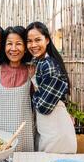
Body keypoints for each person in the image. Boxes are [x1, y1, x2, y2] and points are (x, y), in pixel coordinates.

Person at [26, 21, 77, 153]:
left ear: (47, 40)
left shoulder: (49, 65)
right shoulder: (39, 62)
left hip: (56, 131)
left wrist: (33, 95)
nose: (33, 45)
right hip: (50, 127)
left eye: (38, 40)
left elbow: (44, 107)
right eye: (29, 41)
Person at [0, 26, 35, 152]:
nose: (13, 48)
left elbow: (42, 97)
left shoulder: (32, 71)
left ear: (25, 48)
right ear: (4, 47)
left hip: (23, 133)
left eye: (18, 44)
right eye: (9, 44)